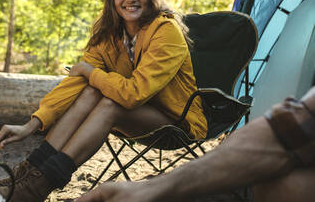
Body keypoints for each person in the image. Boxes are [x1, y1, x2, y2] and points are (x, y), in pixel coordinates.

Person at [0, 0, 207, 202]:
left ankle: (36, 187)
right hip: (134, 114)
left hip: (177, 122)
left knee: (110, 102)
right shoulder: (109, 34)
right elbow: (75, 83)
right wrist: (32, 124)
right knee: (91, 92)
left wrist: (91, 72)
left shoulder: (166, 31)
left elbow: (134, 94)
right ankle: (25, 176)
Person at [75, 86, 315, 202]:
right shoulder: (115, 37)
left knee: (286, 186)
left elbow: (137, 88)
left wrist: (91, 72)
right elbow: (291, 129)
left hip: (182, 121)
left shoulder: (167, 32)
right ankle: (42, 175)